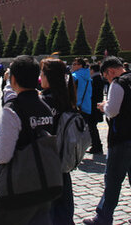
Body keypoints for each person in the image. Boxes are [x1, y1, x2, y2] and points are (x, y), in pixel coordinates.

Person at [0, 55, 57, 224]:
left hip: (20, 186)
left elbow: (3, 155)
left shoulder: (13, 110)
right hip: (45, 182)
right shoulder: (45, 107)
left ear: (13, 79)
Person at [83, 56, 131, 225]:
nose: (107, 79)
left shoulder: (118, 83)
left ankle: (103, 217)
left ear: (111, 71)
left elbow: (112, 111)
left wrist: (103, 106)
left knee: (113, 180)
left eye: (106, 76)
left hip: (122, 138)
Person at [40, 58, 77, 225]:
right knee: (64, 204)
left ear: (50, 77)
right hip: (63, 156)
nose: (40, 77)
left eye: (42, 74)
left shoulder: (45, 101)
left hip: (47, 160)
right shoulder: (66, 96)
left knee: (48, 207)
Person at [88, 63, 105, 154]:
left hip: (93, 105)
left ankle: (96, 145)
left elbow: (91, 94)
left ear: (92, 70)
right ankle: (96, 144)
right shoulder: (100, 78)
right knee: (92, 126)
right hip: (97, 105)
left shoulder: (94, 79)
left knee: (92, 127)